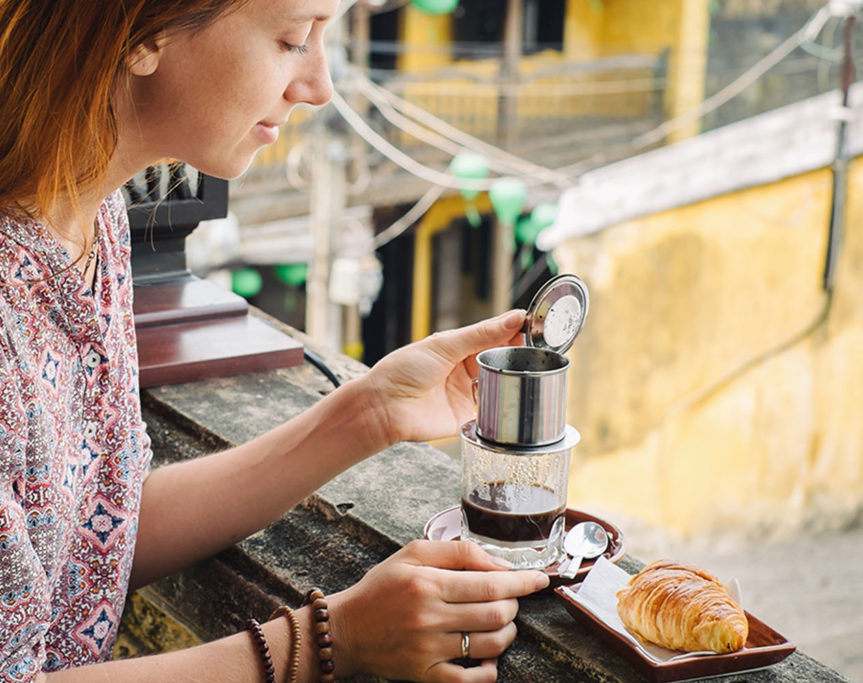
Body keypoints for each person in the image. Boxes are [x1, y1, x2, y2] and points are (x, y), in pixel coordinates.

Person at [0, 0, 549, 681]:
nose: (319, 86)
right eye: (294, 39)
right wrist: (327, 639)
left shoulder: (85, 216)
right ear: (141, 32)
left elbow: (96, 532)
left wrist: (369, 411)